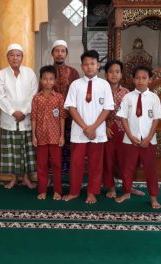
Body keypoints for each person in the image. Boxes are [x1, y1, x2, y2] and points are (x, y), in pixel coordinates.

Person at [62, 50, 114, 204]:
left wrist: (94, 128)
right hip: (79, 132)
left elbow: (107, 108)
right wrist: (85, 127)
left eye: (92, 64)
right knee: (76, 163)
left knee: (95, 164)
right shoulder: (75, 84)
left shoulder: (104, 84)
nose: (89, 67)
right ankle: (74, 191)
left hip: (97, 132)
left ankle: (92, 192)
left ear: (98, 65)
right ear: (82, 66)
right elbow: (71, 107)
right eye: (86, 64)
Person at [115, 65, 161, 209]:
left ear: (150, 80)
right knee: (127, 168)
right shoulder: (127, 97)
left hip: (149, 141)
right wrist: (130, 136)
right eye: (138, 78)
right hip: (130, 140)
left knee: (150, 169)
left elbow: (156, 119)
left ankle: (154, 197)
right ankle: (126, 192)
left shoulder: (154, 98)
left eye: (144, 78)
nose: (141, 81)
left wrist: (148, 138)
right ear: (133, 79)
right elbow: (123, 118)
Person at [0, 43, 38, 189]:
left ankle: (26, 178)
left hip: (26, 118)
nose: (15, 58)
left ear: (22, 57)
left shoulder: (30, 73)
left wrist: (24, 111)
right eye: (12, 55)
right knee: (12, 151)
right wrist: (13, 112)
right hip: (9, 119)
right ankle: (13, 178)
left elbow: (34, 96)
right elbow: (0, 97)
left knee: (26, 150)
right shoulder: (1, 74)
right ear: (7, 57)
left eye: (18, 55)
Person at [103, 60, 144, 198]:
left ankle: (128, 187)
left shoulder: (127, 93)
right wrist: (104, 127)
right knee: (108, 160)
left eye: (117, 72)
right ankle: (111, 188)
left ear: (121, 75)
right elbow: (96, 112)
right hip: (106, 131)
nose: (114, 74)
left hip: (124, 131)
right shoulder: (101, 91)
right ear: (106, 74)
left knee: (126, 161)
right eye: (110, 71)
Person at [31, 65, 66, 200]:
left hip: (55, 137)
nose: (48, 82)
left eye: (51, 79)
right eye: (45, 79)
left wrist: (62, 135)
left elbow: (62, 117)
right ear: (40, 80)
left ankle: (58, 191)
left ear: (55, 81)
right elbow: (33, 117)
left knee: (57, 165)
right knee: (42, 165)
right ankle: (42, 190)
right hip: (40, 137)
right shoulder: (36, 98)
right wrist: (34, 135)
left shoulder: (59, 97)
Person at [51, 40, 80, 175]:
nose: (60, 54)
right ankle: (54, 176)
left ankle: (69, 176)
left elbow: (78, 97)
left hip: (70, 118)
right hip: (51, 119)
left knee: (69, 147)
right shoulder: (47, 72)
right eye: (57, 51)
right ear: (52, 54)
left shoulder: (73, 73)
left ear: (66, 54)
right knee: (53, 147)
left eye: (62, 51)